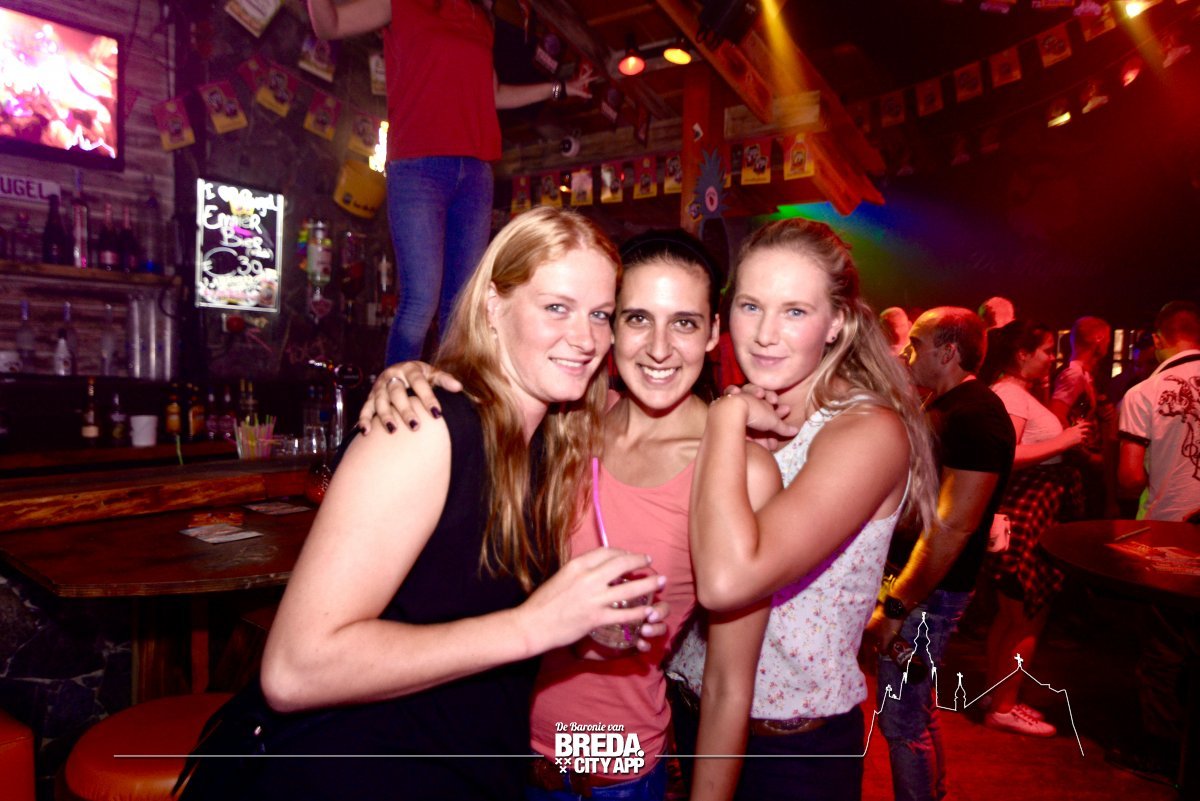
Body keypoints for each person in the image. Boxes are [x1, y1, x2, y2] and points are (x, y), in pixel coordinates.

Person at [177, 207, 665, 801]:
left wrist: (579, 628)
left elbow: (457, 620)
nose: (585, 339)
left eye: (600, 314)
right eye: (556, 307)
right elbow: (294, 670)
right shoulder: (423, 427)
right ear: (493, 306)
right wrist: (532, 626)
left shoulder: (546, 442)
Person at [357, 231, 783, 801]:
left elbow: (728, 683)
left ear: (711, 333)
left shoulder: (741, 470)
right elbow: (483, 393)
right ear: (610, 328)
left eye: (683, 323)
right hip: (488, 750)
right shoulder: (566, 419)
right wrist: (408, 374)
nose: (659, 348)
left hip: (610, 779)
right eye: (636, 318)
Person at [668, 219, 939, 801]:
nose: (765, 334)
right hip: (690, 713)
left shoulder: (866, 431)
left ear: (836, 321)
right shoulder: (742, 409)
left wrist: (724, 420)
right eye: (750, 306)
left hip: (791, 753)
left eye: (794, 311)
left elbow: (727, 580)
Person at [306, 0, 595, 365]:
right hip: (418, 167)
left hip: (475, 174)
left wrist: (561, 88)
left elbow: (493, 94)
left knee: (461, 310)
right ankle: (395, 397)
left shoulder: (481, 20)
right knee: (420, 302)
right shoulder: (402, 4)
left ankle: (450, 397)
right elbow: (329, 25)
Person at [862, 307, 1015, 801]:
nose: (907, 354)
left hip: (930, 594)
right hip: (918, 587)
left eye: (917, 344)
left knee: (902, 721)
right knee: (915, 712)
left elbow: (953, 524)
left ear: (948, 352)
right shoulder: (946, 406)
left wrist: (897, 604)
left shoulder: (977, 416)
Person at [977, 320, 1091, 737]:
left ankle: (997, 697)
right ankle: (1004, 707)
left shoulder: (1017, 393)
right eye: (1045, 350)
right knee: (1027, 615)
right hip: (1027, 511)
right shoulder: (1011, 395)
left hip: (1030, 509)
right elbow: (1006, 455)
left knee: (1012, 616)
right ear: (1022, 354)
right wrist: (1065, 440)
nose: (1052, 358)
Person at [1111, 300, 1200, 783]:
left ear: (1160, 338)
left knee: (1164, 648)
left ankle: (1163, 753)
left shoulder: (1144, 392)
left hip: (1170, 533)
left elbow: (1129, 480)